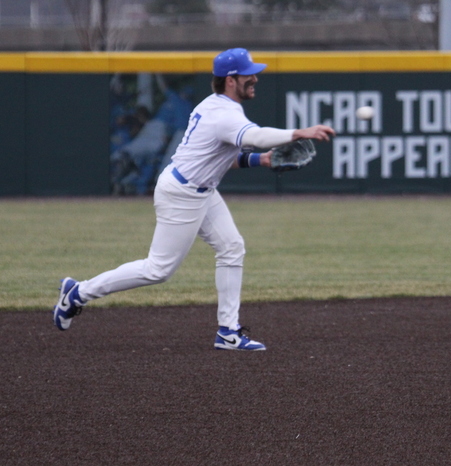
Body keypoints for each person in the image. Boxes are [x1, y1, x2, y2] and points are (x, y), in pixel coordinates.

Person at [53, 48, 336, 351]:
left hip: (199, 189)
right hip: (183, 194)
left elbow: (219, 158)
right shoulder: (225, 115)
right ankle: (78, 292)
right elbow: (257, 136)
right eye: (248, 74)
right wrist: (298, 132)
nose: (255, 78)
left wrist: (259, 161)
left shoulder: (218, 106)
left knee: (231, 247)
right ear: (230, 80)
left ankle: (228, 332)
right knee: (157, 270)